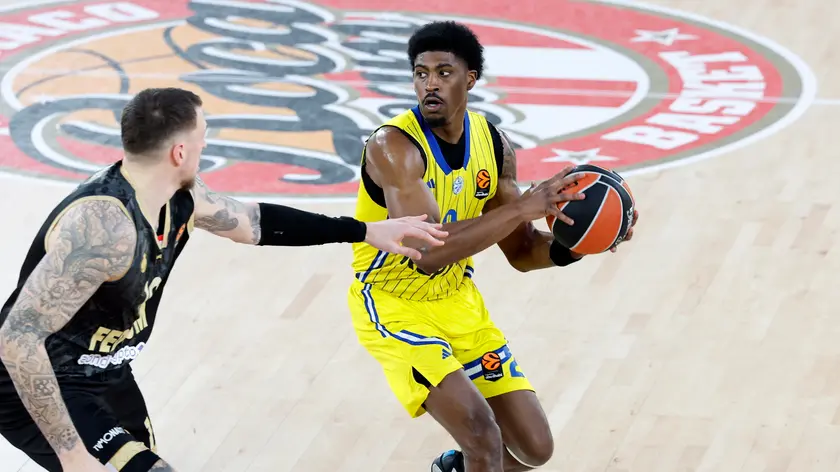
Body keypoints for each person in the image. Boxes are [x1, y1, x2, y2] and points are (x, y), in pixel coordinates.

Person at [0, 87, 448, 472]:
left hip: (108, 369)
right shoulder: (102, 228)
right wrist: (72, 455)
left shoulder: (180, 196)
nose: (204, 147)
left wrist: (364, 231)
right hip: (42, 379)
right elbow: (17, 339)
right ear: (179, 152)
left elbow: (254, 223)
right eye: (202, 138)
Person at [346, 21, 638, 472]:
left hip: (458, 301)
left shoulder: (493, 145)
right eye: (421, 73)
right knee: (481, 434)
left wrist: (579, 244)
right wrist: (520, 208)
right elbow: (427, 255)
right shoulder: (394, 147)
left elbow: (522, 252)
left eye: (444, 73)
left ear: (470, 80)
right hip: (393, 305)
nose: (430, 84)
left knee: (534, 449)